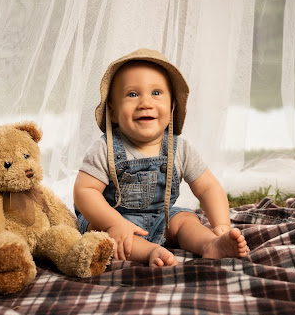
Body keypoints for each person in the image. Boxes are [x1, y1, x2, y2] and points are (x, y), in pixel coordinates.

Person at [73, 48, 249, 267]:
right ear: (113, 110)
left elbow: (207, 187)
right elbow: (84, 191)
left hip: (160, 219)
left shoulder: (180, 149)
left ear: (172, 106)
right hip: (110, 219)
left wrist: (221, 224)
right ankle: (150, 252)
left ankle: (210, 244)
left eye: (156, 93)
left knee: (185, 220)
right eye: (132, 94)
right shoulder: (105, 149)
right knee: (101, 235)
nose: (145, 102)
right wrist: (115, 222)